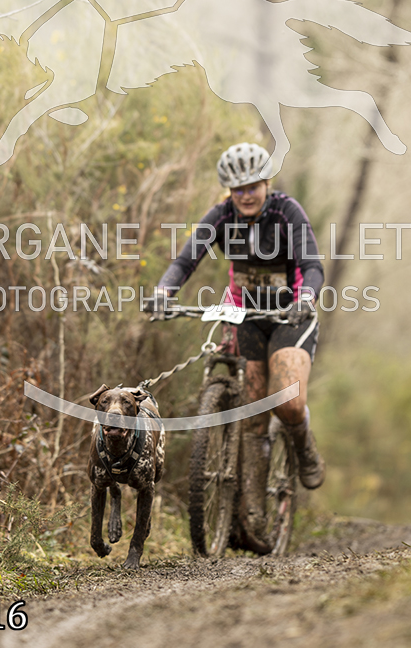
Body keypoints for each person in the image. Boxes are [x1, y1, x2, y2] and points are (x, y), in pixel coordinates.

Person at [146, 142, 325, 553]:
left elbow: (312, 265)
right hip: (245, 316)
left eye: (253, 186)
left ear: (266, 184)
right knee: (253, 417)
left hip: (290, 316)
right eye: (237, 188)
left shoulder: (287, 212)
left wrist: (305, 298)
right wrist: (163, 291)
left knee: (287, 402)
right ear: (228, 190)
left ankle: (303, 444)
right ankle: (252, 513)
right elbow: (186, 260)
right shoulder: (221, 216)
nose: (246, 194)